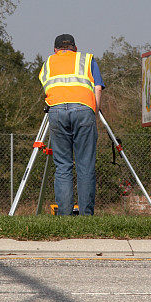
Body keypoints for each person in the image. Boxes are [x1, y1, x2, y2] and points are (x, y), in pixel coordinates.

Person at [39, 34, 105, 215]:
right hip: (84, 110)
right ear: (75, 48)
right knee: (85, 165)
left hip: (56, 111)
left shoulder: (48, 63)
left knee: (63, 166)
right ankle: (86, 215)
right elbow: (97, 87)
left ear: (55, 50)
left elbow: (46, 87)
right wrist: (95, 113)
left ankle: (64, 215)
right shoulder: (87, 59)